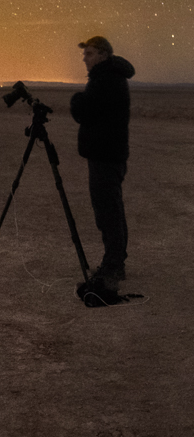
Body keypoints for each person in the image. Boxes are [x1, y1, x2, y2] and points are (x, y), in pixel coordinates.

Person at [69, 35, 133, 292]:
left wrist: (75, 100)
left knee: (108, 211)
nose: (85, 58)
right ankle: (115, 261)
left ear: (104, 55)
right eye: (85, 54)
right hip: (108, 154)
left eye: (90, 53)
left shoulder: (105, 79)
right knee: (111, 209)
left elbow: (85, 111)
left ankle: (114, 264)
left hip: (106, 155)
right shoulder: (109, 77)